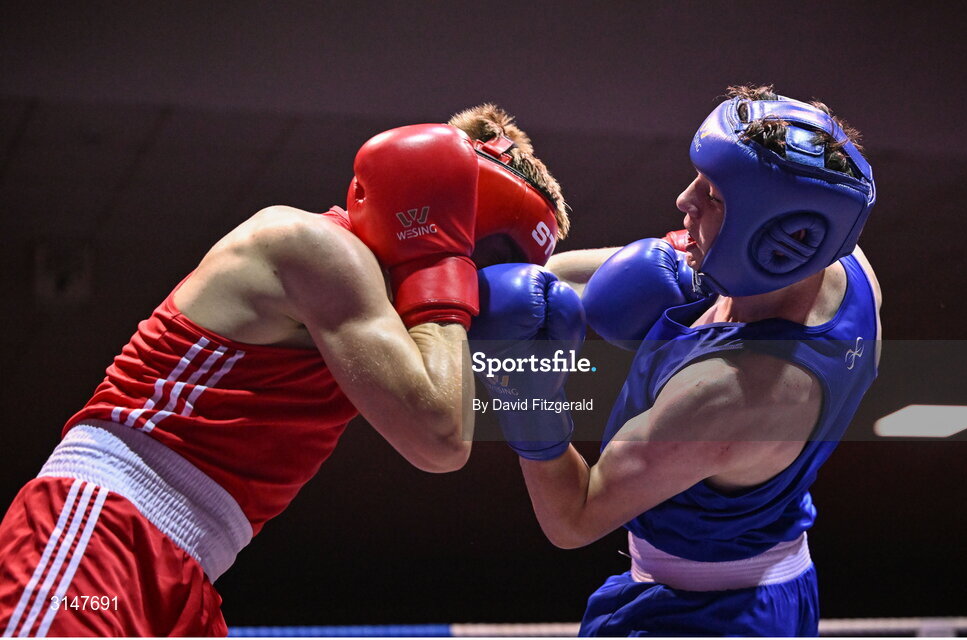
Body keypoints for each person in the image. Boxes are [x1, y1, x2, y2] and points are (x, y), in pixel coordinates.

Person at [0, 104, 569, 637]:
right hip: (99, 530)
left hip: (189, 567)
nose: (479, 282)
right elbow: (441, 440)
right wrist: (440, 267)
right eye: (483, 256)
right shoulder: (311, 246)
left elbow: (569, 281)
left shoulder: (376, 302)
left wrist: (661, 253)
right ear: (446, 216)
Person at [471, 85, 881, 636]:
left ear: (779, 237)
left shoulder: (728, 394)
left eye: (713, 195)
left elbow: (574, 517)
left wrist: (522, 386)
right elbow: (580, 280)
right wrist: (466, 292)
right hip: (776, 573)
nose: (684, 200)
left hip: (701, 618)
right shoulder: (845, 264)